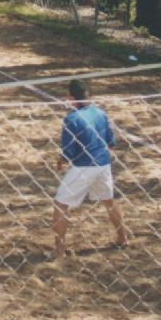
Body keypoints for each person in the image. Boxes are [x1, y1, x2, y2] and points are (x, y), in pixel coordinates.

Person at [52, 79, 127, 260]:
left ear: (71, 97)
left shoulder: (71, 118)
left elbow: (69, 150)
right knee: (109, 201)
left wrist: (61, 160)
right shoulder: (100, 113)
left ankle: (59, 250)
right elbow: (111, 142)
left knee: (60, 205)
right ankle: (122, 238)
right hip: (103, 164)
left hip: (84, 167)